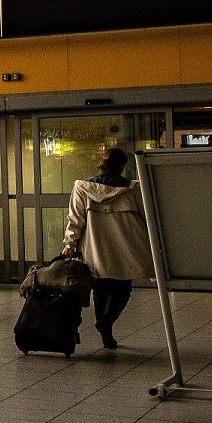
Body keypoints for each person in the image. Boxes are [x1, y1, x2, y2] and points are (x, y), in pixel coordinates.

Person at [63, 146, 154, 350]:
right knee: (122, 290)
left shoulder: (82, 187)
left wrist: (70, 243)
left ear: (101, 165)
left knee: (100, 290)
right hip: (125, 246)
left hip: (96, 247)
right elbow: (146, 218)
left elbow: (75, 219)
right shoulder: (133, 189)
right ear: (122, 167)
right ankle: (106, 323)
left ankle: (106, 332)